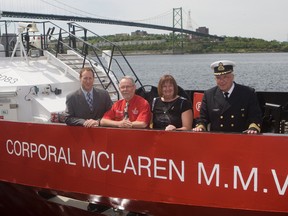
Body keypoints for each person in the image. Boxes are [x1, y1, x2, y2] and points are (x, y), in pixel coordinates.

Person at [193, 60, 262, 134]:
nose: (222, 81)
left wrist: (253, 128)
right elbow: (203, 118)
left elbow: (255, 117)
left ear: (232, 77)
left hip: (241, 138)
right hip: (217, 139)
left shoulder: (247, 93)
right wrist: (200, 127)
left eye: (225, 77)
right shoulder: (209, 94)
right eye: (218, 78)